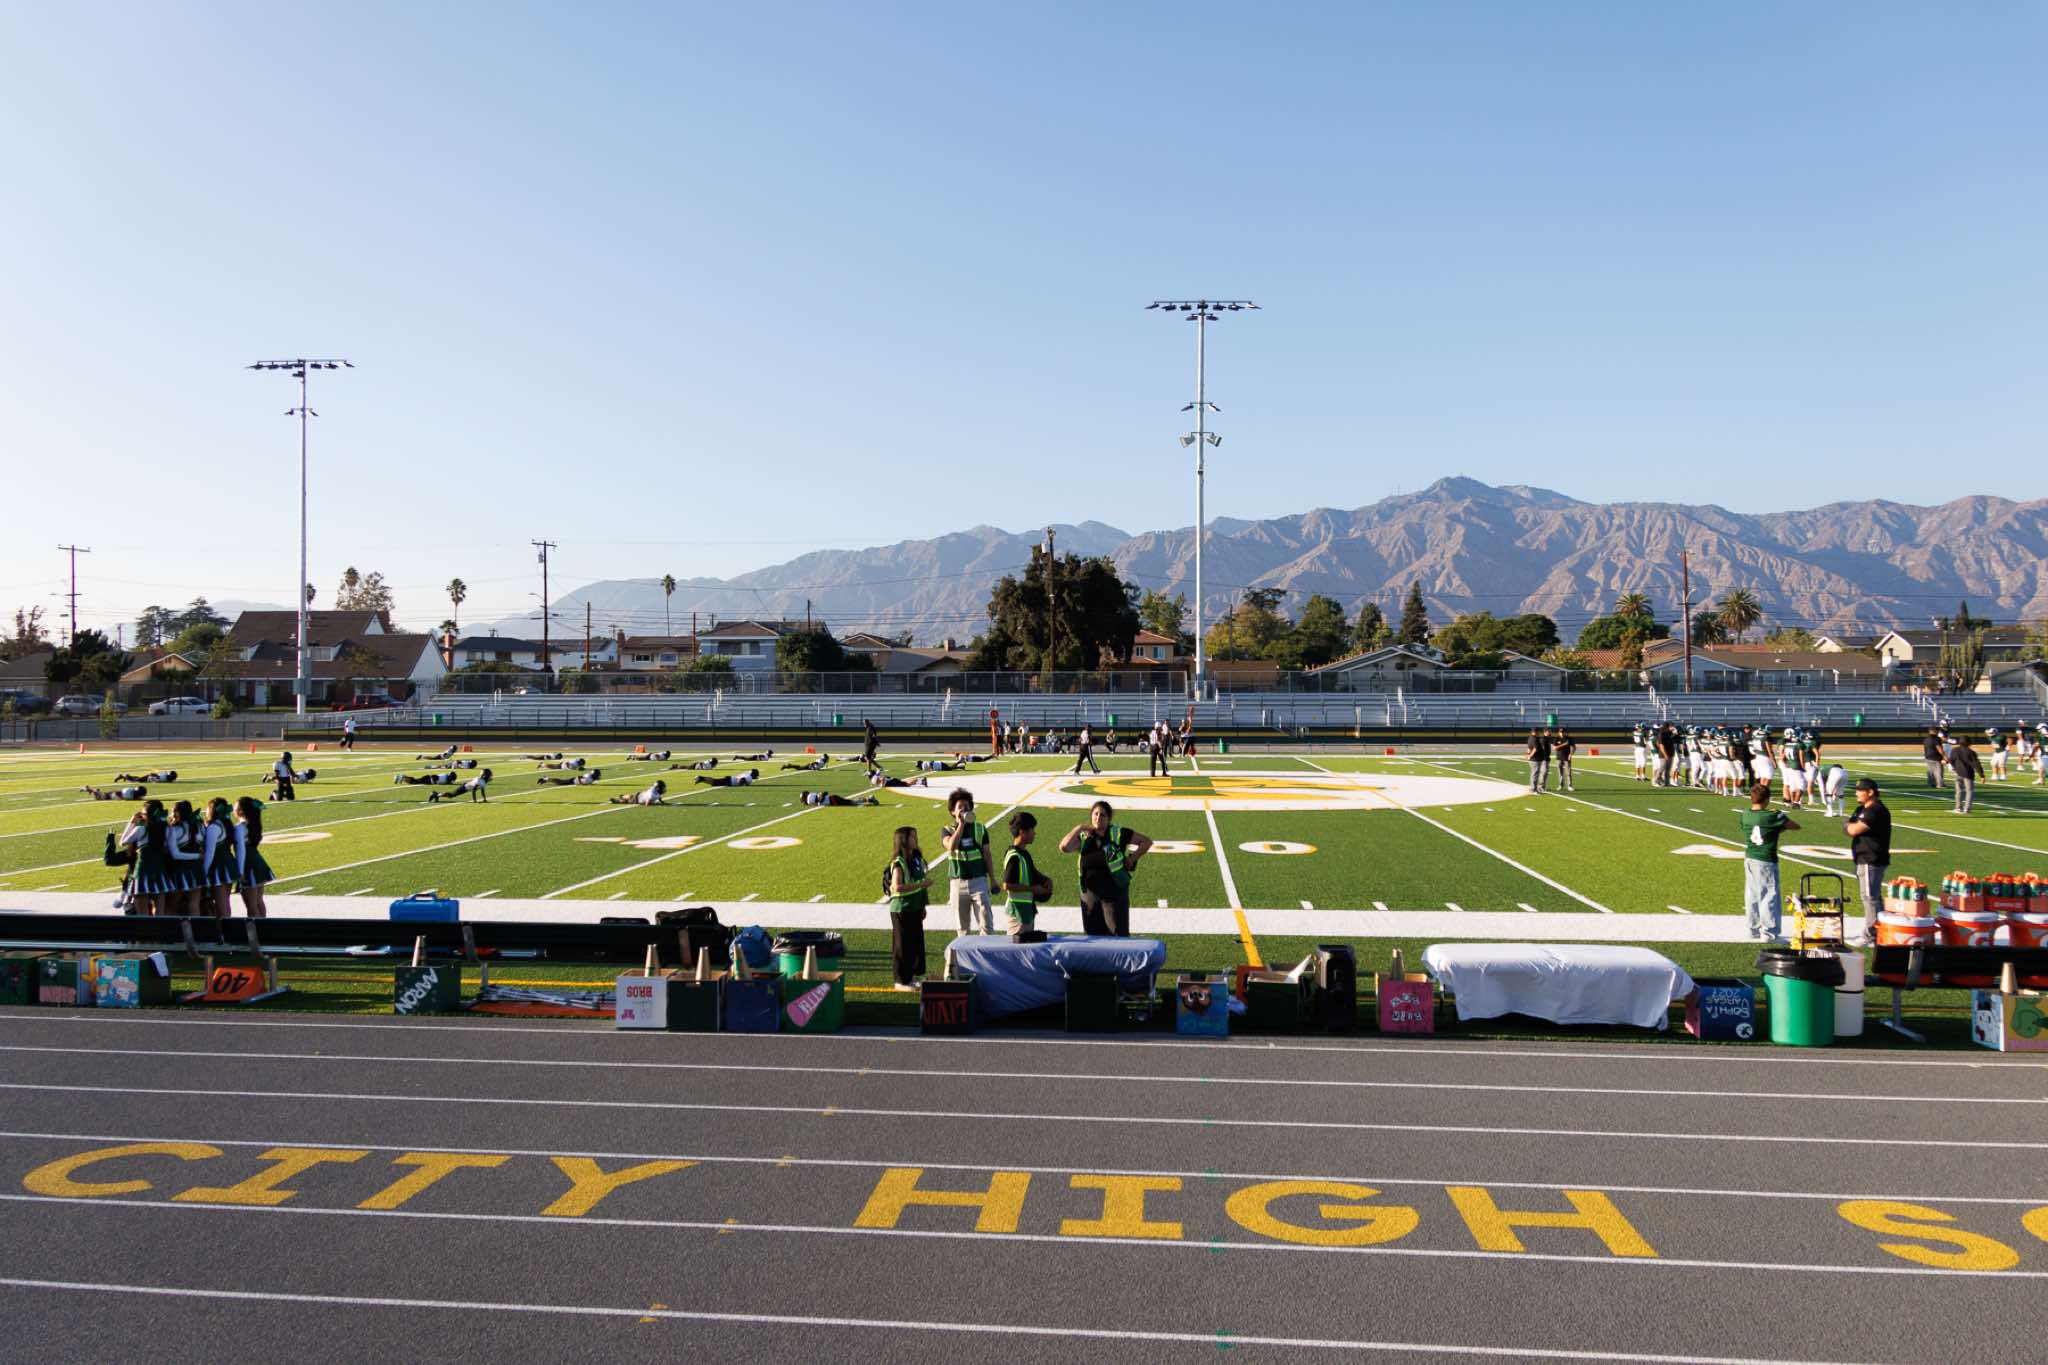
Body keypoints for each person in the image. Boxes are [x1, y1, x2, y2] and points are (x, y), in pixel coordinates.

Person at [1058, 799, 1153, 936]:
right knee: (1093, 936)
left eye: (1102, 815)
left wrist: (1132, 858)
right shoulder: (1084, 836)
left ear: (1109, 818)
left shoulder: (1118, 833)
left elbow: (1146, 842)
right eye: (1095, 814)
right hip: (1090, 893)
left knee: (1118, 934)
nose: (1098, 818)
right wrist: (1079, 827)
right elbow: (1064, 847)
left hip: (1114, 892)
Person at [1740, 782, 1797, 942]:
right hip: (1766, 858)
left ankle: (1753, 929)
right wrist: (1777, 829)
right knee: (1769, 895)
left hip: (1750, 856)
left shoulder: (1745, 813)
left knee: (1752, 894)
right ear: (1767, 799)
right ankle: (1769, 932)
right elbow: (1794, 826)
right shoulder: (1773, 815)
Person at [942, 789, 996, 936]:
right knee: (962, 929)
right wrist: (961, 825)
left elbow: (987, 855)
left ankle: (986, 950)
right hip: (958, 883)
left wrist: (992, 879)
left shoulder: (980, 829)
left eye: (967, 806)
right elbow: (951, 846)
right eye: (960, 807)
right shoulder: (947, 830)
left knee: (986, 925)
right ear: (953, 811)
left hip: (979, 881)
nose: (964, 809)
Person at [1845, 778, 1892, 944]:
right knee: (1873, 896)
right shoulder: (1862, 809)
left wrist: (1849, 827)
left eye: (1860, 790)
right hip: (1865, 858)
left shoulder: (1875, 810)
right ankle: (1882, 931)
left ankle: (1871, 934)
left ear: (1870, 792)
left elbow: (1853, 829)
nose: (1856, 793)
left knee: (1870, 897)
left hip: (1870, 858)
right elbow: (1849, 826)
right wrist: (1849, 826)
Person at [886, 825, 931, 989]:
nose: (915, 839)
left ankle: (912, 976)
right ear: (903, 840)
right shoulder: (898, 862)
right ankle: (900, 980)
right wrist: (920, 885)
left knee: (915, 944)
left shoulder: (916, 859)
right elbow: (897, 887)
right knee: (902, 946)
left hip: (915, 907)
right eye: (912, 837)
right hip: (902, 909)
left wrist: (923, 906)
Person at [999, 811, 1052, 935]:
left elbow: (1032, 872)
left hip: (1025, 913)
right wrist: (1033, 889)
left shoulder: (1023, 854)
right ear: (1022, 832)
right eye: (1032, 829)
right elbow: (1007, 885)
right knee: (1017, 945)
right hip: (1018, 915)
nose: (1034, 833)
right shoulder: (1014, 857)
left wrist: (1046, 880)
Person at [233, 796, 272, 918]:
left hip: (248, 865)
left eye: (235, 807)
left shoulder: (239, 828)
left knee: (251, 906)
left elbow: (241, 851)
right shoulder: (254, 824)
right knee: (259, 901)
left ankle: (254, 929)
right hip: (258, 861)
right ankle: (264, 926)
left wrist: (240, 871)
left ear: (240, 811)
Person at [200, 797, 238, 917]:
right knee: (225, 902)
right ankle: (226, 927)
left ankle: (225, 928)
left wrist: (204, 872)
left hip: (218, 867)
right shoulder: (226, 824)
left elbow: (210, 853)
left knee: (221, 906)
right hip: (228, 863)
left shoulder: (214, 827)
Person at [165, 799, 205, 914]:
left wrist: (198, 856)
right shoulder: (200, 827)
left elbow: (175, 855)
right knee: (194, 903)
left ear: (177, 812)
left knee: (172, 904)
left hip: (179, 870)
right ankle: (195, 925)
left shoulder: (174, 829)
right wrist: (199, 856)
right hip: (197, 869)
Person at [1949, 735, 1982, 815]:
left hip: (1958, 773)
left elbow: (1951, 761)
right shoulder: (1971, 752)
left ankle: (1958, 808)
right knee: (1969, 791)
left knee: (1959, 791)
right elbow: (1976, 764)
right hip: (1968, 773)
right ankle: (1967, 809)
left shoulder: (1954, 750)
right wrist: (1981, 775)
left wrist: (1955, 768)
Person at [428, 769, 492, 803]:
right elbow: (474, 791)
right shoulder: (479, 781)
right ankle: (435, 794)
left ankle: (436, 794)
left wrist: (484, 799)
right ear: (485, 775)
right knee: (451, 795)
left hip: (466, 788)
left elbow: (482, 790)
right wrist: (474, 800)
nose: (490, 777)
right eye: (489, 775)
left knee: (451, 795)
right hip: (464, 787)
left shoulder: (482, 781)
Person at [1525, 727, 1550, 794]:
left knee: (1534, 774)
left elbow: (1529, 748)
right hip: (1535, 759)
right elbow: (1535, 749)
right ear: (1536, 732)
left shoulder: (1530, 738)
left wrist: (1528, 754)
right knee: (1535, 774)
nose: (1539, 733)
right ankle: (1533, 789)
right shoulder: (1535, 739)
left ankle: (1534, 788)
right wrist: (1530, 756)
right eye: (1538, 732)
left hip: (1534, 759)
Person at [1552, 727, 1576, 794]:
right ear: (1558, 732)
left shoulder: (1569, 738)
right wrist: (1564, 744)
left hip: (1566, 757)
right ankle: (1560, 785)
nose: (1561, 733)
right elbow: (1554, 748)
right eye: (1560, 732)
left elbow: (1574, 747)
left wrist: (1571, 754)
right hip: (1559, 758)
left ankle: (1569, 786)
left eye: (1563, 732)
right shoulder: (1556, 739)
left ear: (1565, 732)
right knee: (1560, 772)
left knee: (1568, 772)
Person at [538, 767, 604, 786]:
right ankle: (546, 779)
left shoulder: (590, 777)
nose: (599, 776)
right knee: (560, 782)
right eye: (598, 774)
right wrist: (580, 783)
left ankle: (546, 780)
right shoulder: (589, 778)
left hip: (574, 781)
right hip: (573, 781)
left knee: (560, 782)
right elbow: (579, 777)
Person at [802, 790, 877, 807]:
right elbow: (822, 795)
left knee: (852, 802)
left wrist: (821, 799)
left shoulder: (809, 799)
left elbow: (819, 799)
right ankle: (869, 799)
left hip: (832, 800)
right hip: (833, 798)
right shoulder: (811, 795)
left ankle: (869, 799)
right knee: (851, 802)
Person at [694, 769, 759, 787]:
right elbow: (742, 779)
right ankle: (701, 778)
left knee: (714, 782)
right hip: (730, 781)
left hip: (730, 779)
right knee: (714, 782)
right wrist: (740, 784)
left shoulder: (747, 774)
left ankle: (701, 779)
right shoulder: (749, 778)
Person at [84, 784, 148, 801]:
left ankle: (92, 790)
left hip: (114, 794)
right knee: (99, 797)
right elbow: (118, 793)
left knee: (99, 796)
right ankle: (91, 790)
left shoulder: (132, 792)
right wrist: (121, 797)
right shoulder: (129, 791)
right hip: (113, 795)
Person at [394, 770, 460, 786]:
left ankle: (403, 778)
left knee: (415, 781)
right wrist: (433, 782)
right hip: (428, 779)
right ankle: (403, 777)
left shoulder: (447, 778)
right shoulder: (445, 777)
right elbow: (434, 776)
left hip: (428, 779)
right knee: (415, 781)